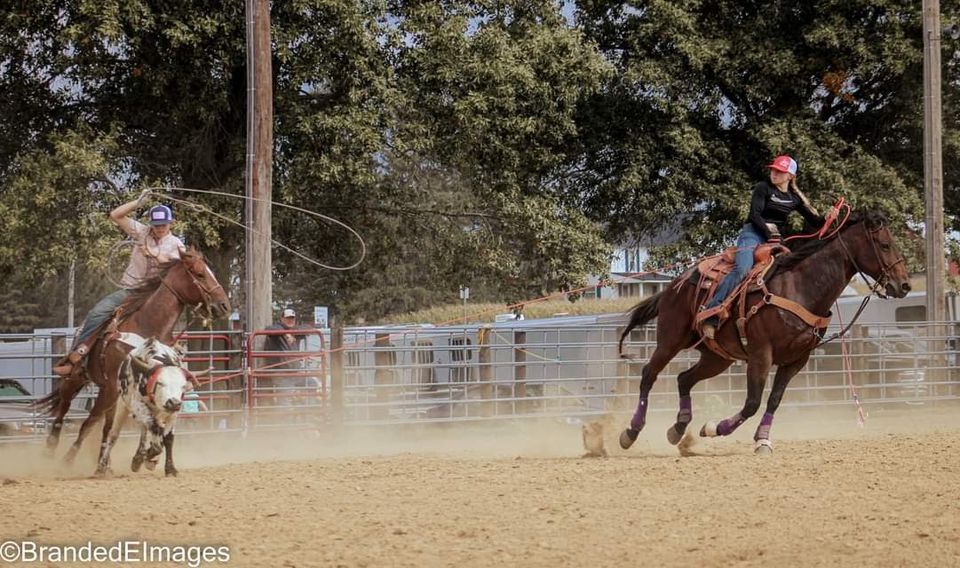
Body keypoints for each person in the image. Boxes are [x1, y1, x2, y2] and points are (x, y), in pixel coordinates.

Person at [53, 191, 186, 376]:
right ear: (151, 224)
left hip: (156, 295)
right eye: (156, 225)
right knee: (98, 313)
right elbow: (116, 215)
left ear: (171, 223)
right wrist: (138, 202)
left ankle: (175, 366)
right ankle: (79, 355)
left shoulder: (177, 244)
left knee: (166, 326)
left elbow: (178, 266)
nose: (159, 228)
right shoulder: (142, 232)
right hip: (131, 289)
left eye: (163, 224)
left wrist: (153, 254)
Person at [702, 155, 824, 340]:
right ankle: (711, 313)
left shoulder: (794, 198)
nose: (774, 173)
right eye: (773, 169)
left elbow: (815, 221)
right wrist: (769, 234)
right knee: (742, 269)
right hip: (752, 234)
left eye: (779, 171)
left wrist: (829, 217)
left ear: (790, 175)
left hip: (775, 240)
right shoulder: (763, 188)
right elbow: (755, 214)